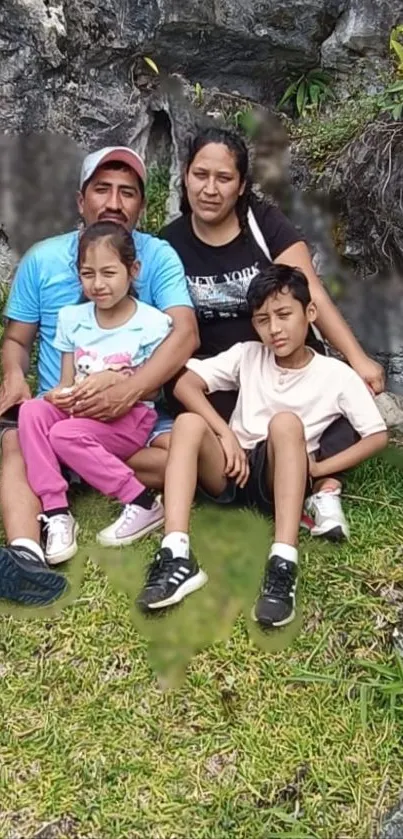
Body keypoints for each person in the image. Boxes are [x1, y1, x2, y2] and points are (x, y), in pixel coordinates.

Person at [159, 126, 385, 541]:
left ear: (242, 184)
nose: (210, 189)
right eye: (200, 175)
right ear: (185, 176)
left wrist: (357, 358)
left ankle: (322, 485)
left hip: (290, 363)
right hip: (226, 377)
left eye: (224, 178)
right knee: (194, 416)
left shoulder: (262, 222)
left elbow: (310, 288)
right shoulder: (168, 244)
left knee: (334, 403)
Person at [0, 145, 199, 605]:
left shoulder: (157, 257)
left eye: (127, 192)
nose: (114, 201)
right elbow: (16, 341)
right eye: (102, 189)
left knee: (184, 458)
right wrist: (14, 375)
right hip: (60, 407)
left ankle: (105, 480)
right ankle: (26, 553)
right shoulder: (43, 260)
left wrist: (130, 389)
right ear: (80, 200)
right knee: (17, 437)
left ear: (141, 207)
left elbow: (184, 333)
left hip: (135, 413)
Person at [136, 265, 388, 627]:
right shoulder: (248, 354)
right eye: (262, 320)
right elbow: (185, 385)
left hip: (279, 477)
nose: (275, 329)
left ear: (309, 313)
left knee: (285, 423)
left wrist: (317, 469)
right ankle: (176, 554)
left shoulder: (337, 375)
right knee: (189, 422)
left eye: (284, 315)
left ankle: (283, 563)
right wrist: (224, 434)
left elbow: (377, 435)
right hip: (230, 470)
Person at [18, 221, 173, 564]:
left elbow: (154, 386)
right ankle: (57, 511)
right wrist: (58, 396)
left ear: (133, 270)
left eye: (108, 273)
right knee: (32, 411)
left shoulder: (151, 322)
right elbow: (65, 382)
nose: (98, 284)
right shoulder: (72, 318)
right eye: (88, 274)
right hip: (79, 411)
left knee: (64, 434)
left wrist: (116, 379)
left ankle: (141, 501)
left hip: (131, 416)